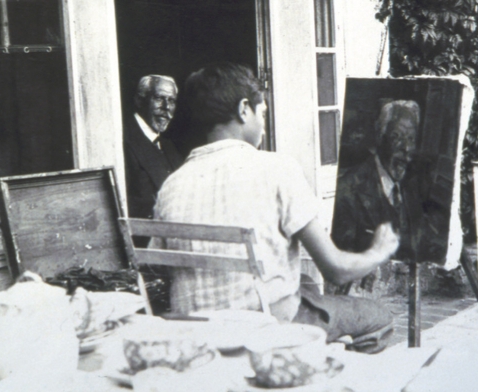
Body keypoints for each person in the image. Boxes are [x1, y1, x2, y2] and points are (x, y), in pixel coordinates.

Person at [151, 62, 400, 353]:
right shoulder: (277, 168)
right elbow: (337, 270)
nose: (264, 124)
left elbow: (164, 268)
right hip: (265, 327)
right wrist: (378, 251)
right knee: (379, 318)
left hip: (196, 332)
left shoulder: (171, 184)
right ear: (245, 109)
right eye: (263, 113)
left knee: (305, 282)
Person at [330, 100, 423, 293]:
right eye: (397, 137)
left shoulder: (414, 187)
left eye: (411, 139)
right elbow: (342, 257)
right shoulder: (350, 187)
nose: (406, 148)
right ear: (380, 138)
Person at [124, 75, 184, 223]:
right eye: (159, 98)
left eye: (172, 101)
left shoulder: (168, 146)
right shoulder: (123, 140)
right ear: (139, 100)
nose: (166, 107)